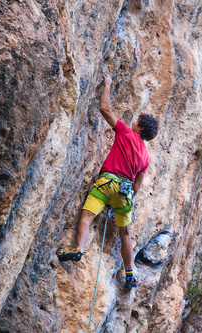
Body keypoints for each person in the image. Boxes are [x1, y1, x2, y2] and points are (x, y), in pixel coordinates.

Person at [58, 74, 158, 289]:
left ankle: (78, 249)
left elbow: (105, 109)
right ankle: (130, 273)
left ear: (140, 127)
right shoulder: (146, 158)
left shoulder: (125, 132)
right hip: (124, 193)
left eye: (137, 121)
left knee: (87, 215)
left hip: (107, 183)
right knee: (125, 234)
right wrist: (122, 204)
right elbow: (137, 186)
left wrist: (107, 84)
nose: (133, 122)